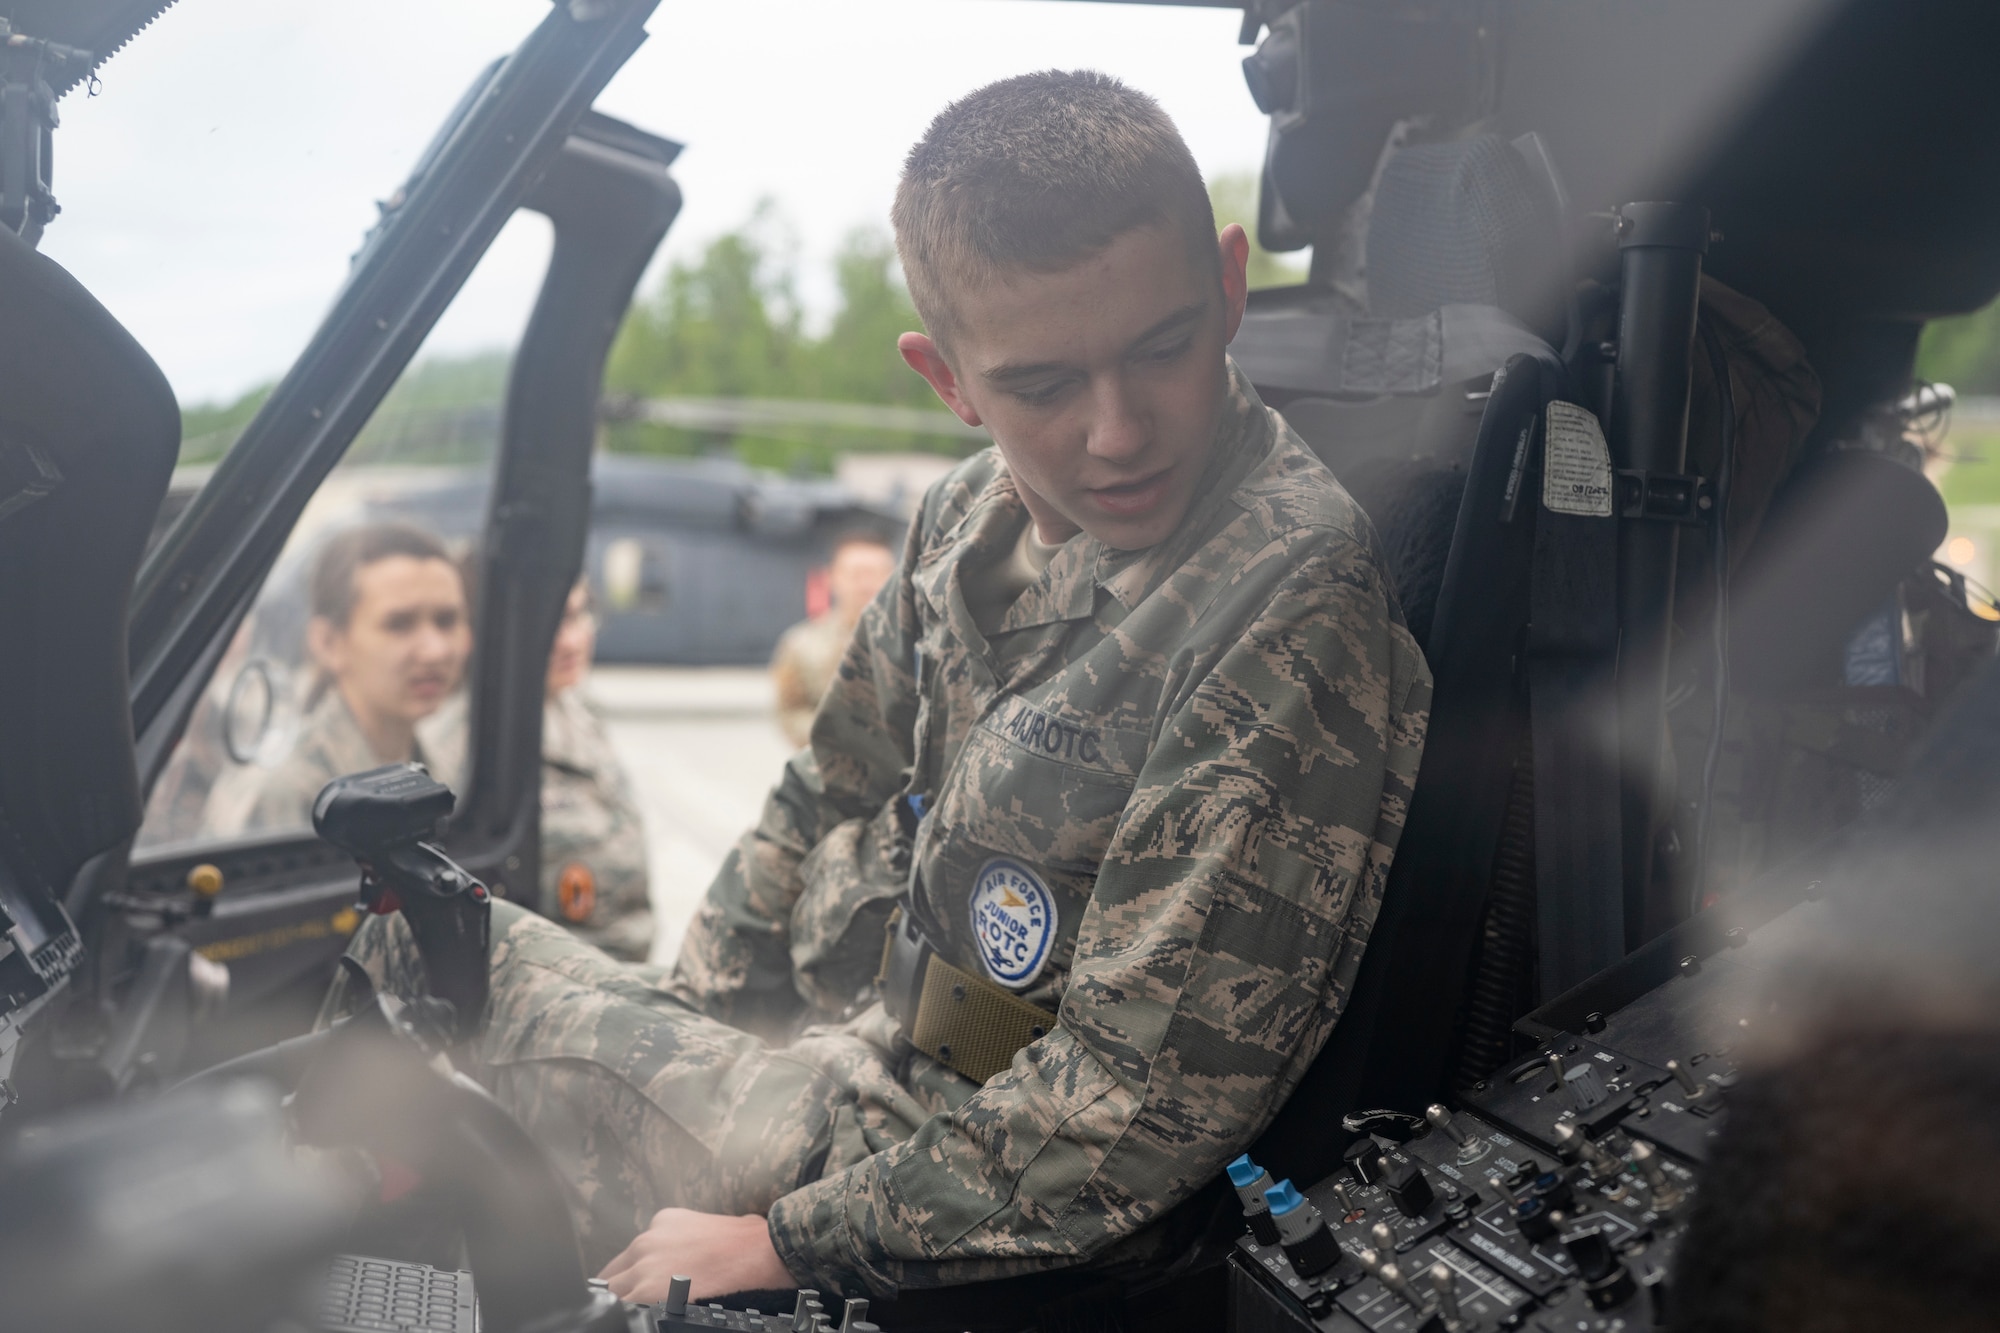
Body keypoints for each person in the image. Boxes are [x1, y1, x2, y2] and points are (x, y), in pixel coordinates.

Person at [326, 71, 1431, 1303]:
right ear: (946, 380)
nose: (1116, 431)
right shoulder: (963, 518)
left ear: (1228, 289)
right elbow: (823, 788)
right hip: (863, 1062)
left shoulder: (1285, 591)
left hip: (984, 1185)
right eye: (1041, 385)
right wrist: (693, 1023)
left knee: (435, 995)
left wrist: (782, 1239)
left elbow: (1137, 1099)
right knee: (417, 940)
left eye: (1161, 348)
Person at [423, 581, 654, 961]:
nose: (570, 642)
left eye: (578, 616)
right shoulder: (461, 753)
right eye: (548, 624)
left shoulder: (578, 710)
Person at [246, 522, 470, 831]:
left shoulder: (445, 769)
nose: (435, 651)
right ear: (328, 643)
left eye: (447, 621)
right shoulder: (292, 792)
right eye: (399, 624)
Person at [770, 530, 898, 747]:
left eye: (877, 573)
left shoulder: (919, 641)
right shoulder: (800, 644)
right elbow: (790, 711)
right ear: (832, 577)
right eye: (856, 574)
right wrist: (836, 735)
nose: (867, 584)